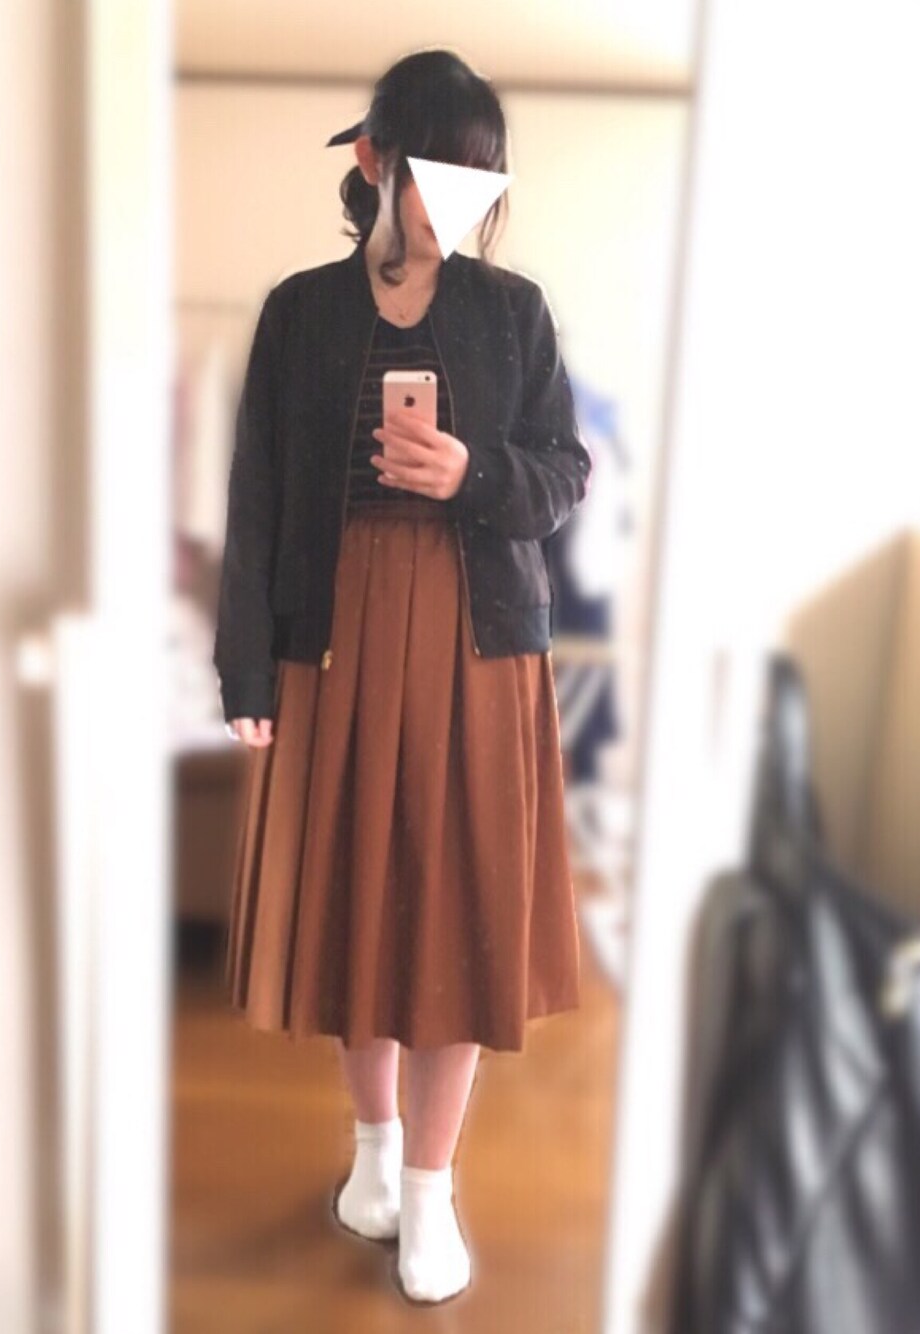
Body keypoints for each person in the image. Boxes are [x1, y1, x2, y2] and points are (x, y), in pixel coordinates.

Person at [214, 48, 592, 1306]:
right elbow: (258, 498)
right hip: (332, 637)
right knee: (354, 905)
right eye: (438, 174)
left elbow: (563, 477)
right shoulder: (299, 314)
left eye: (483, 179)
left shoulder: (514, 313)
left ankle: (429, 1185)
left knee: (457, 914)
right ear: (373, 162)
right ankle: (373, 1152)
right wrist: (244, 665)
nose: (460, 204)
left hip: (480, 644)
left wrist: (470, 474)